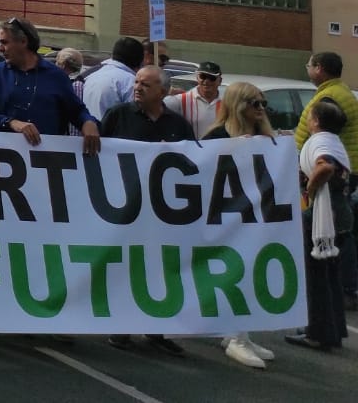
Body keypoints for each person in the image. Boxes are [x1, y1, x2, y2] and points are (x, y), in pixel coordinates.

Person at [101, 67, 193, 359]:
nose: (138, 87)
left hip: (162, 211)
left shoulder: (178, 124)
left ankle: (156, 330)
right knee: (126, 264)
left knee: (159, 268)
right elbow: (98, 155)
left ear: (163, 92)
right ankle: (121, 326)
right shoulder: (118, 116)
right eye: (136, 82)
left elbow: (192, 161)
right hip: (124, 207)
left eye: (145, 84)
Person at [199, 81, 279, 368]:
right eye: (253, 103)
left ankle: (239, 332)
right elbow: (202, 176)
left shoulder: (265, 137)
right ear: (237, 105)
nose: (260, 109)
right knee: (235, 272)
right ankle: (236, 337)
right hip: (225, 218)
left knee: (251, 271)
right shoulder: (217, 137)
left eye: (262, 104)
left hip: (256, 218)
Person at [0, 17, 100, 155]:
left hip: (48, 163)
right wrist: (11, 122)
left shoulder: (56, 76)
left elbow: (77, 111)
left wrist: (88, 122)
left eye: (4, 42)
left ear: (23, 41)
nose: (0, 48)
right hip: (7, 160)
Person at [288, 98, 351, 353]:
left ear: (315, 121)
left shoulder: (320, 142)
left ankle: (318, 332)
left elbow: (324, 167)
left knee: (316, 276)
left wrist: (310, 189)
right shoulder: (335, 140)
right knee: (330, 275)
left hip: (324, 214)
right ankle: (333, 329)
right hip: (340, 213)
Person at [81, 36, 143, 121]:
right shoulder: (130, 81)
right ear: (139, 61)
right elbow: (134, 118)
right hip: (114, 133)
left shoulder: (92, 76)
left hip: (91, 131)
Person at [165, 60, 224, 135]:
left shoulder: (225, 103)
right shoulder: (181, 100)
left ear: (220, 81)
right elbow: (156, 108)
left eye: (212, 78)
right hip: (191, 146)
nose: (206, 81)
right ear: (197, 78)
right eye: (203, 76)